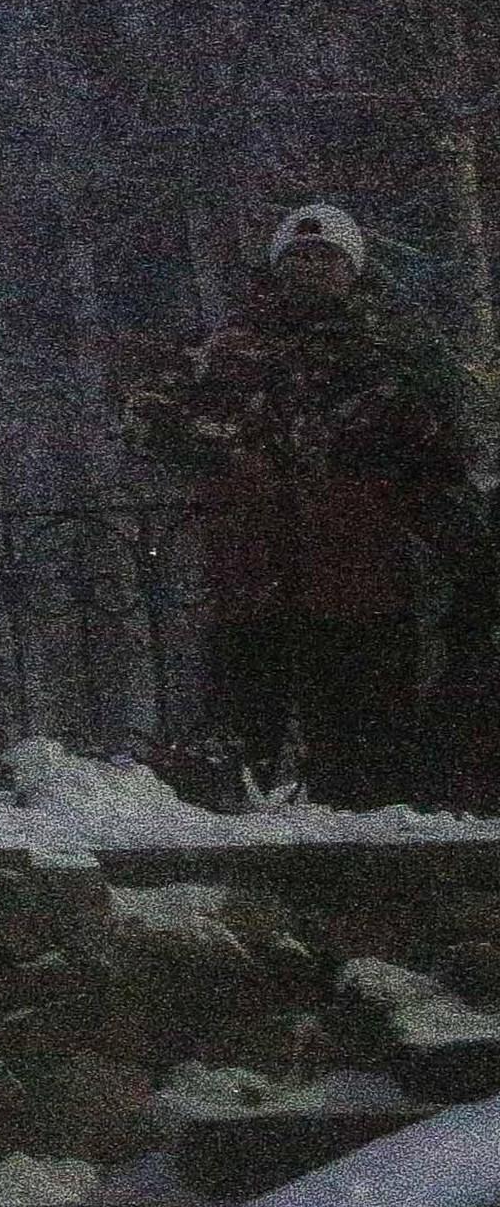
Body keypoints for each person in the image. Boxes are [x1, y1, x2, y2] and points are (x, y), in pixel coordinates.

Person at [128, 205, 470, 807]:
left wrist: (390, 474)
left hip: (359, 561)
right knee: (244, 713)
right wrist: (225, 451)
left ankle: (367, 820)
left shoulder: (392, 347)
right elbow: (147, 416)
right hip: (253, 563)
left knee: (363, 721)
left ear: (351, 268)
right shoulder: (228, 344)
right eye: (299, 256)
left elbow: (445, 439)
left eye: (326, 257)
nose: (312, 268)